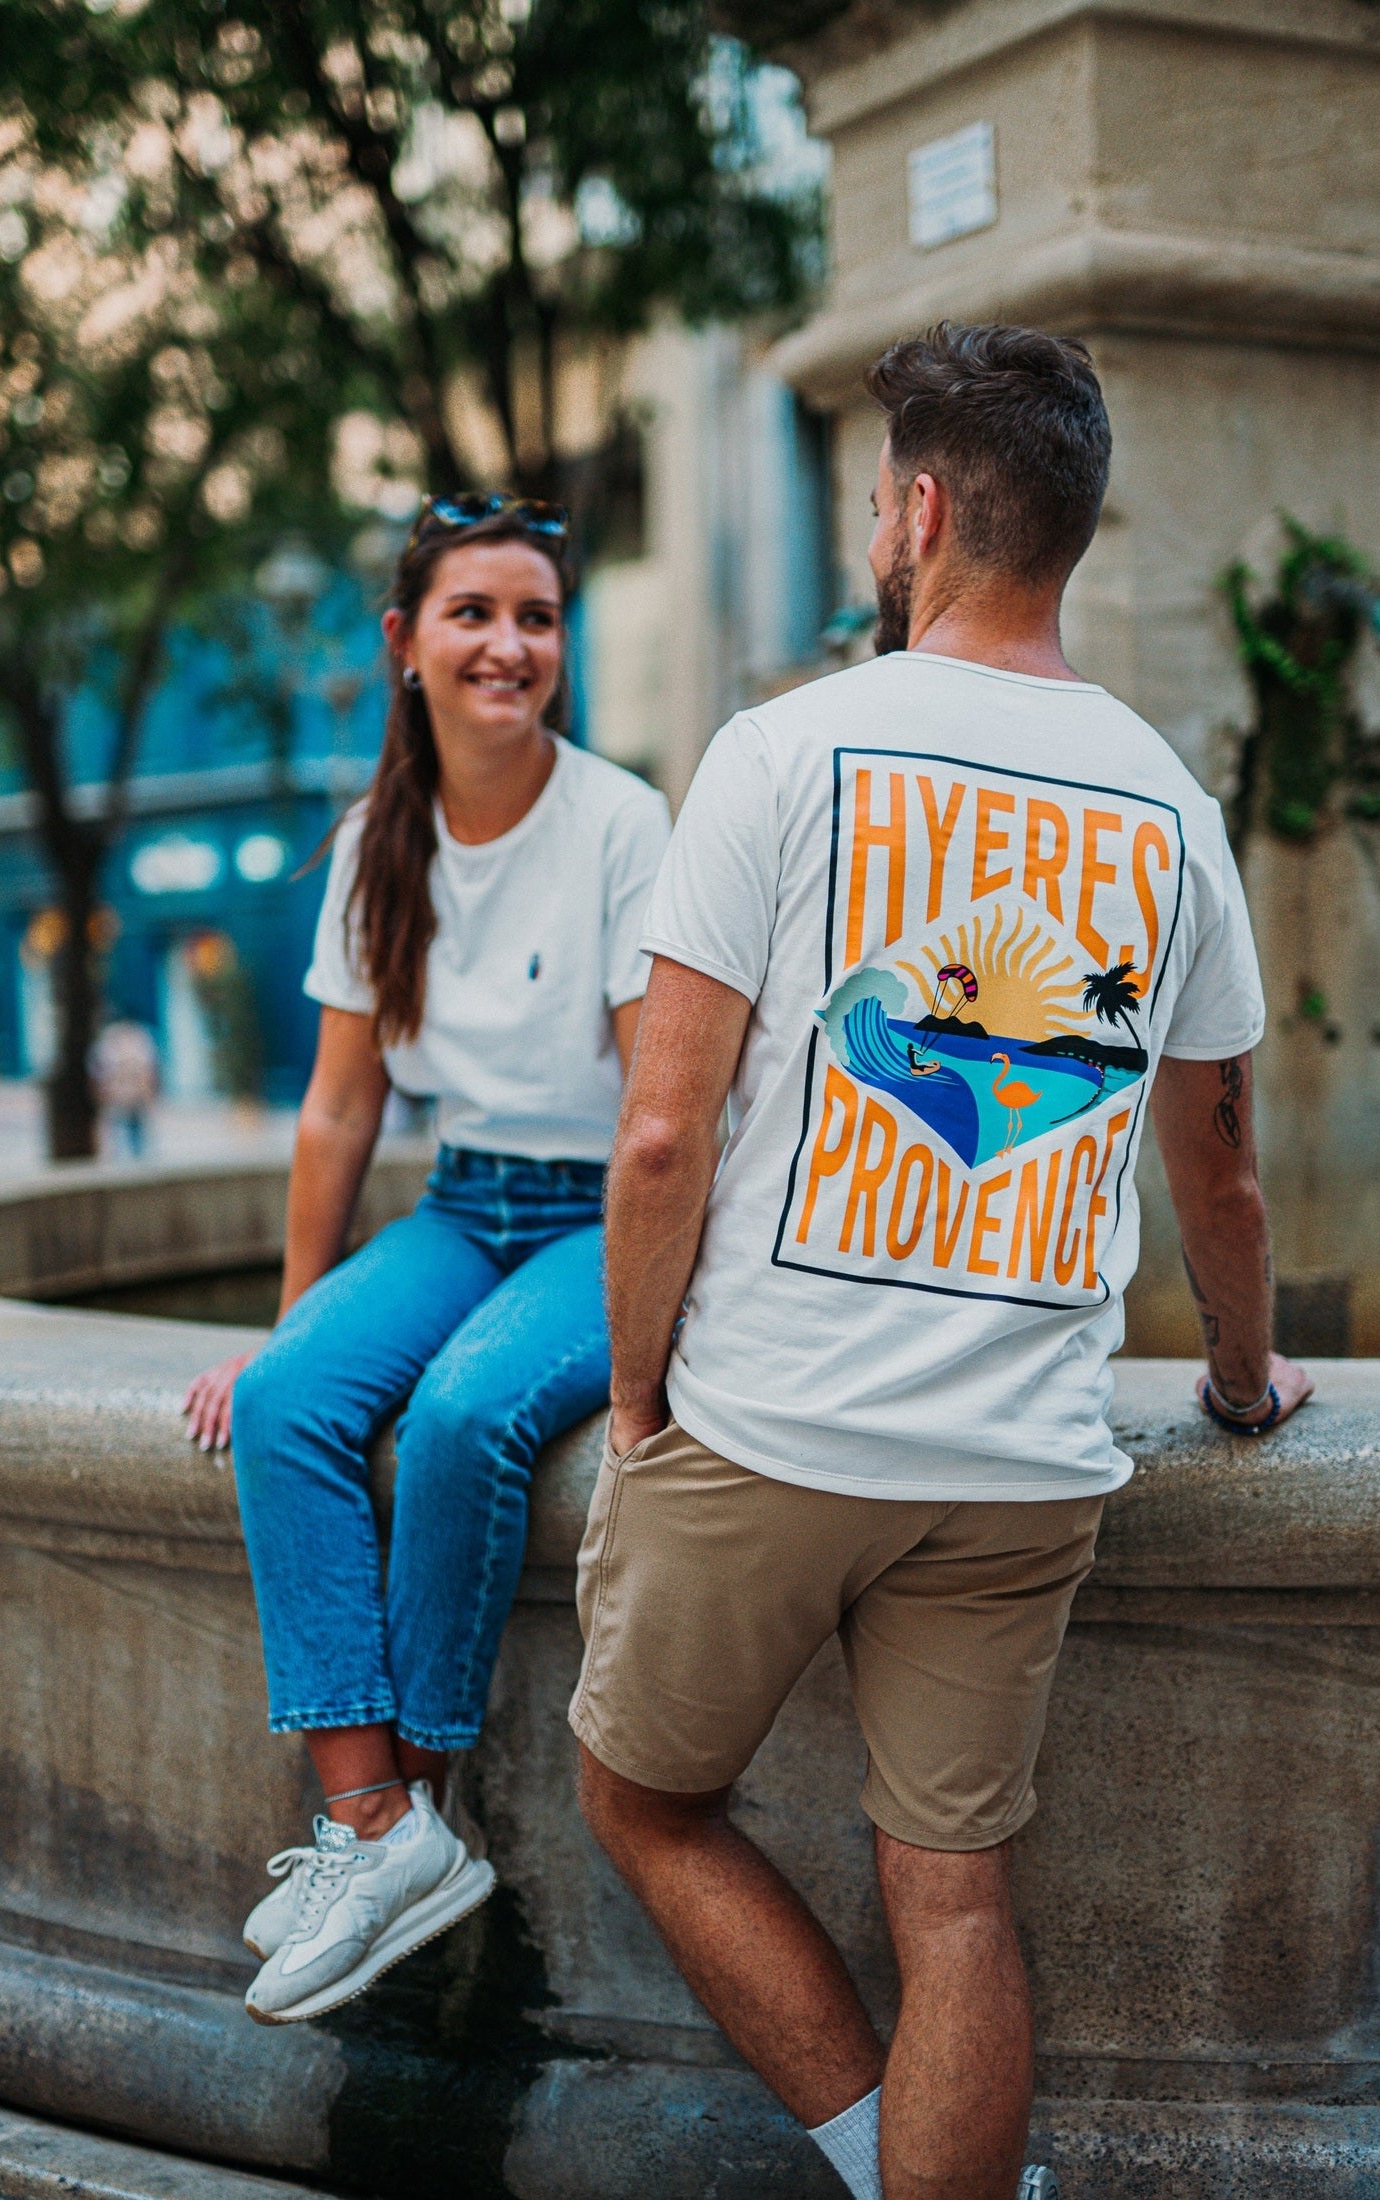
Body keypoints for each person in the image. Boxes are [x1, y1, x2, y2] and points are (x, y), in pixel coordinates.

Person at [570, 323, 1312, 2200]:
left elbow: (661, 1132)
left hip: (768, 1432)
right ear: (1064, 526)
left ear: (916, 511)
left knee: (640, 1796)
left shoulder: (782, 748)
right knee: (955, 1903)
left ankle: (860, 2144)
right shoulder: (1164, 801)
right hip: (1016, 1469)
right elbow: (1215, 1171)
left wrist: (641, 1381)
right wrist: (1239, 1378)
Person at [181, 492, 670, 2028]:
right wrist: (289, 1328)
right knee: (288, 1406)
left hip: (601, 1212)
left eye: (535, 616)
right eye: (473, 613)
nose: (507, 644)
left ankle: (411, 1808)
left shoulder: (615, 821)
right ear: (405, 643)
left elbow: (663, 1109)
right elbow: (337, 1112)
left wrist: (660, 1347)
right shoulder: (372, 847)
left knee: (466, 1416)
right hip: (465, 1203)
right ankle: (377, 1828)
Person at [92, 1016, 159, 1157]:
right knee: (120, 1133)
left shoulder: (136, 1040)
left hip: (130, 1096)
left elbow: (146, 1072)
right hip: (120, 1096)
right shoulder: (112, 1042)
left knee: (134, 1132)